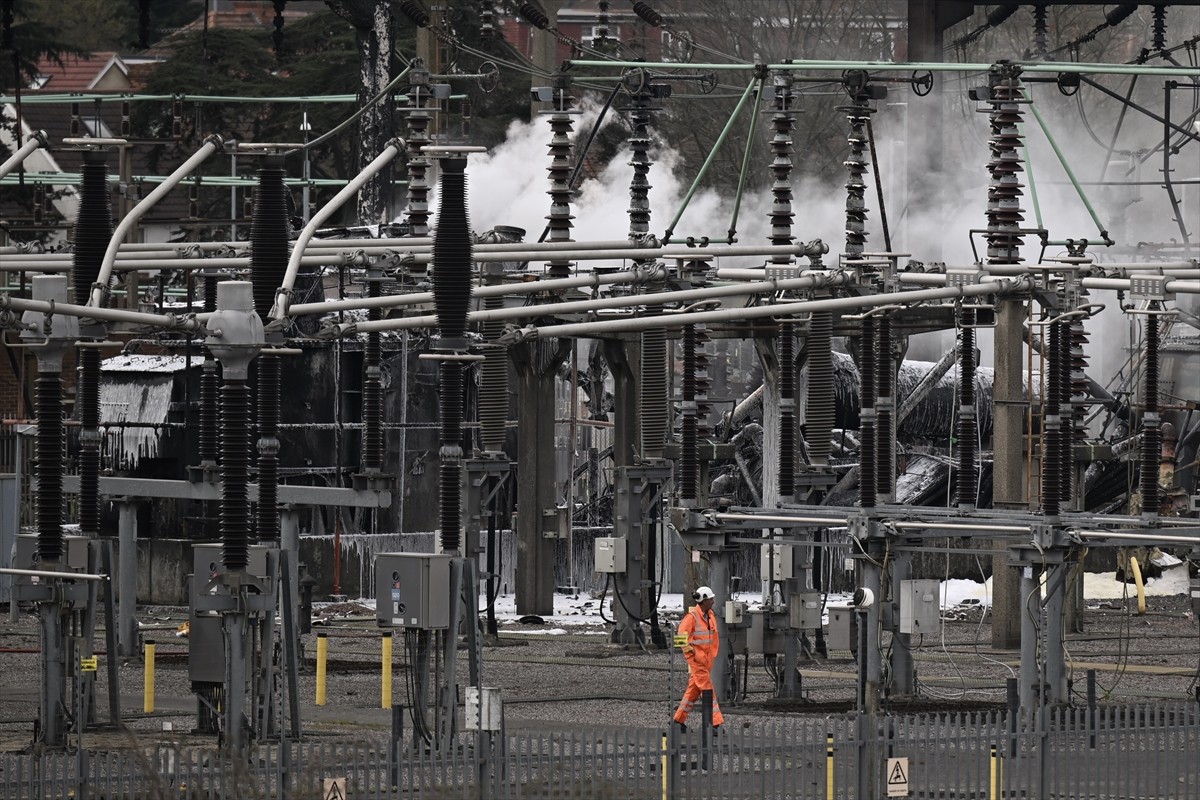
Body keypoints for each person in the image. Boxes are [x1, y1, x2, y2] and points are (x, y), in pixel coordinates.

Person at [673, 585, 724, 732]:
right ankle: (714, 723)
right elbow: (680, 638)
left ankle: (678, 721)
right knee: (708, 691)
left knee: (693, 691)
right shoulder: (692, 617)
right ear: (703, 600)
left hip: (706, 661)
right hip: (698, 662)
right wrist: (691, 655)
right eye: (711, 599)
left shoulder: (710, 615)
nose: (713, 601)